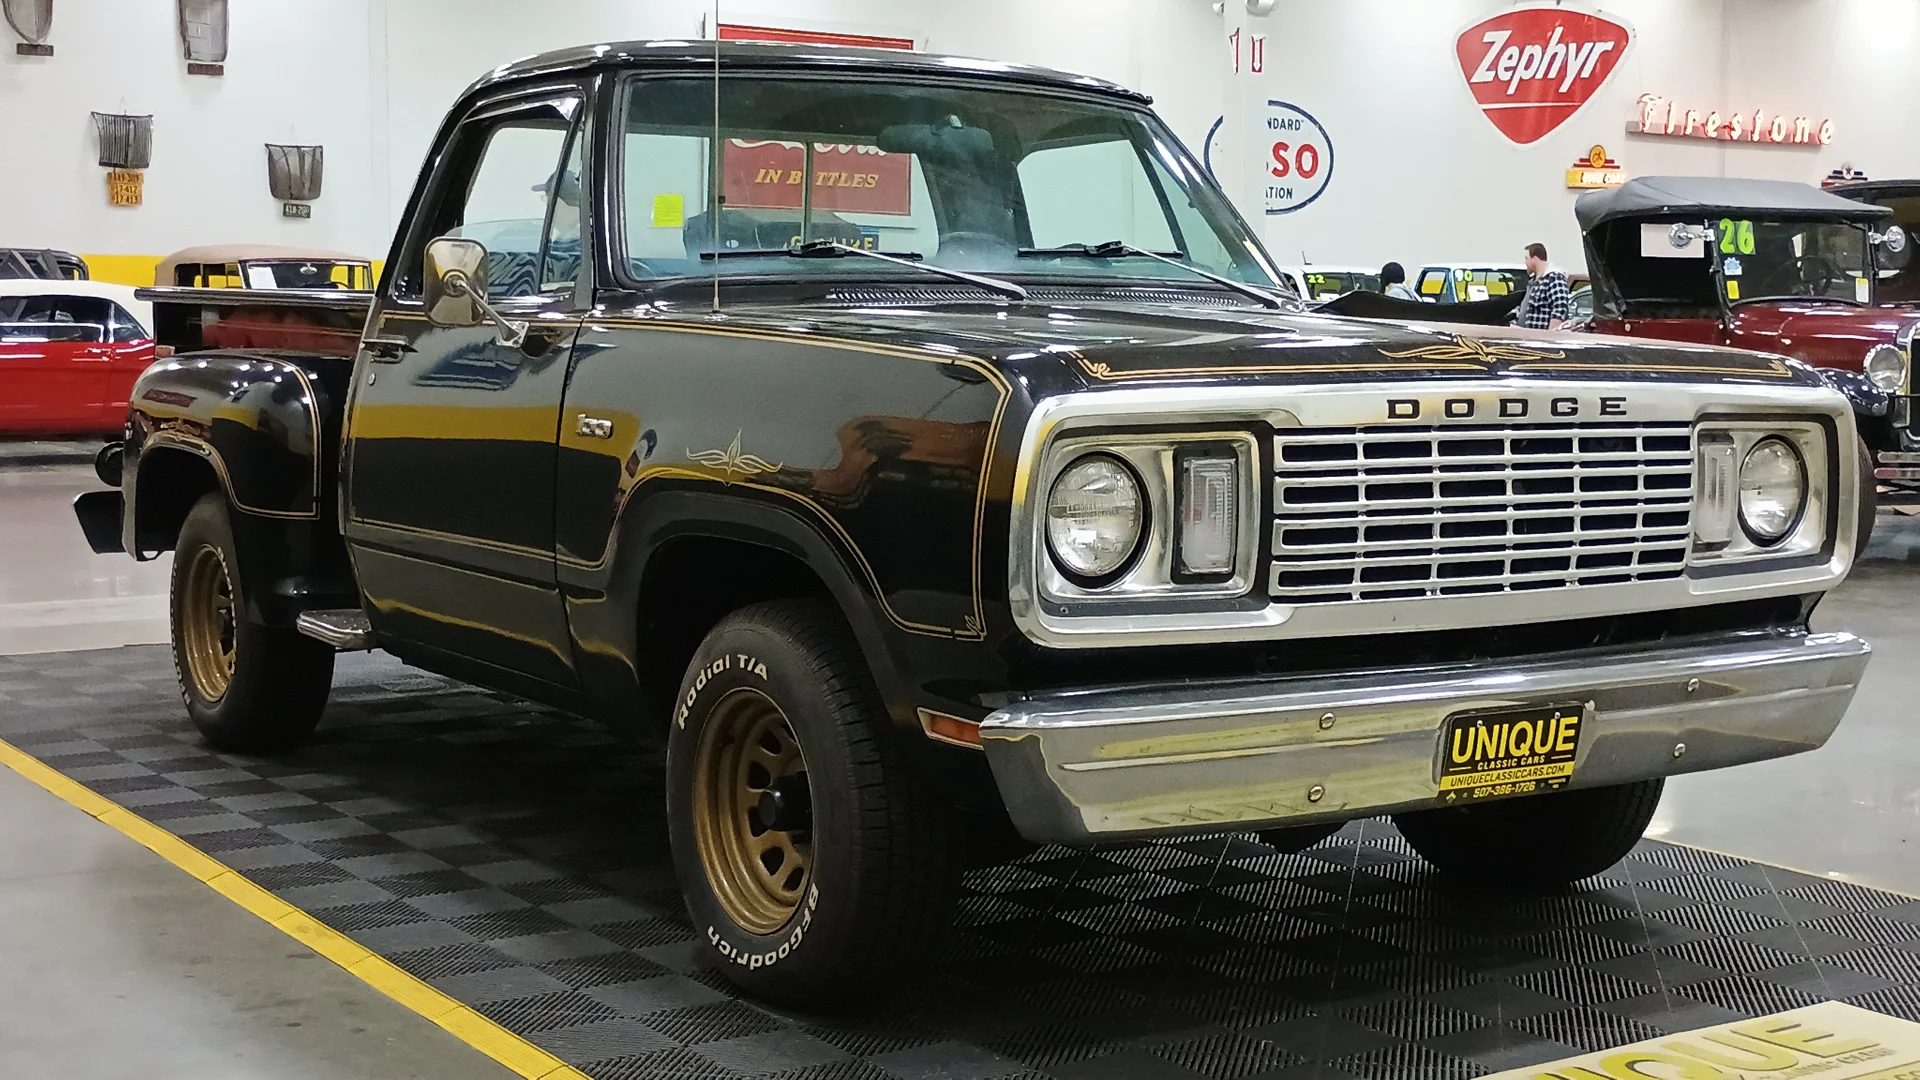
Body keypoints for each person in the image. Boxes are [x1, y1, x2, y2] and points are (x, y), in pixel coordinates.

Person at [1515, 242, 1573, 330]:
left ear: (1534, 259)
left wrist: (1550, 335)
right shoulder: (1533, 282)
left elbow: (1559, 308)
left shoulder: (1554, 278)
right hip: (1528, 337)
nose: (1525, 262)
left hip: (1540, 338)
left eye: (1526, 258)